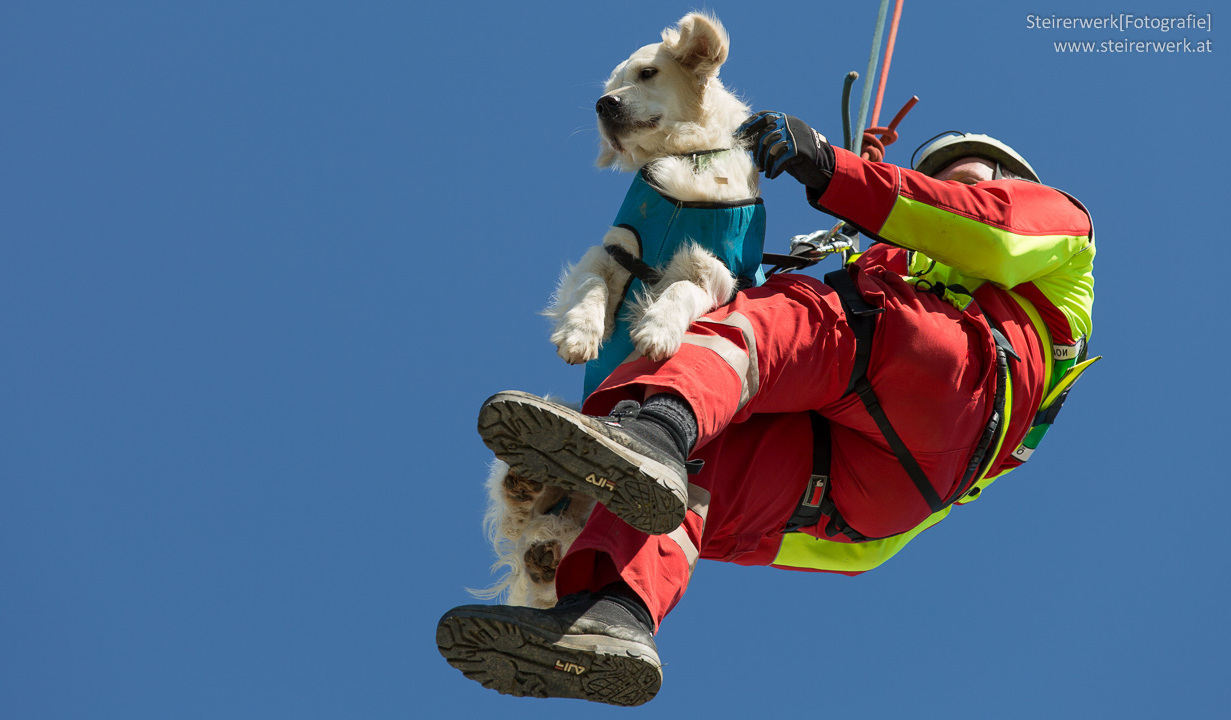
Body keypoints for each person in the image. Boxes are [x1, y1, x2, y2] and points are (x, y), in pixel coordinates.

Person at [436, 112, 1097, 707]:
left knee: (778, 320)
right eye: (937, 176)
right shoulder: (899, 263)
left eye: (969, 174)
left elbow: (982, 225)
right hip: (882, 492)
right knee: (691, 470)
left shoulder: (1060, 229)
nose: (955, 183)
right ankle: (610, 615)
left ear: (1011, 178)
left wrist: (833, 169)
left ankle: (652, 427)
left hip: (955, 375)